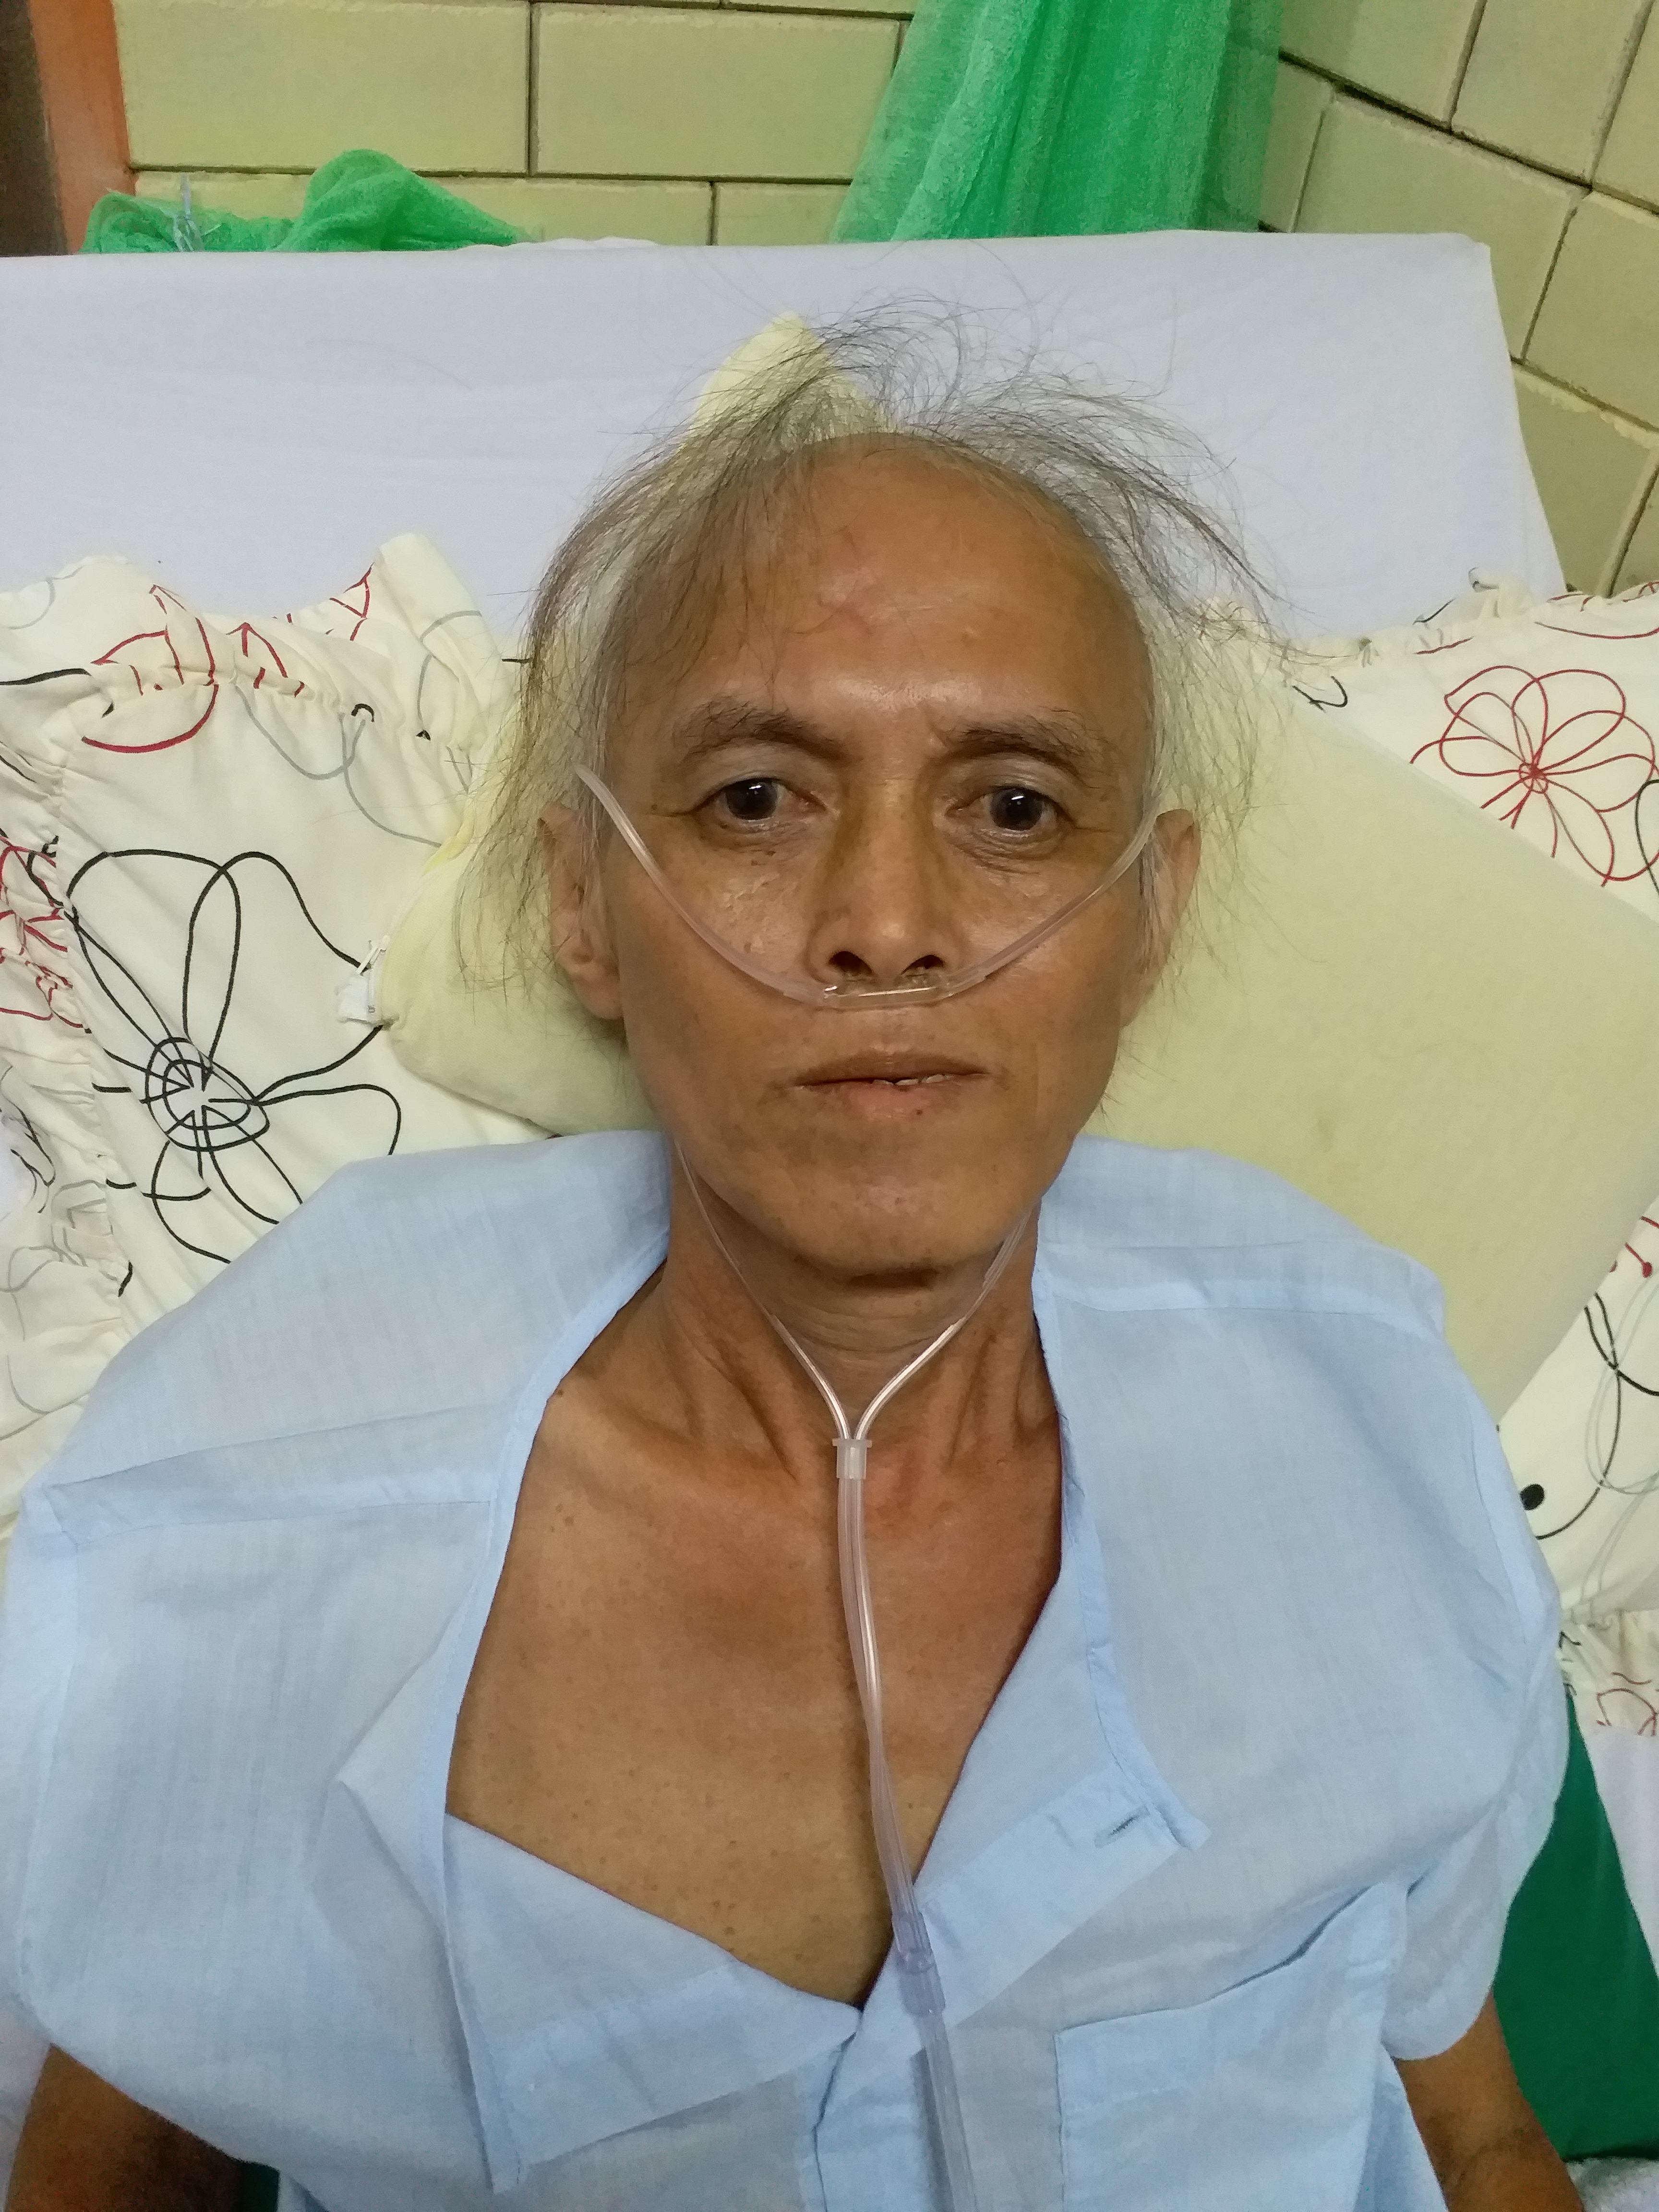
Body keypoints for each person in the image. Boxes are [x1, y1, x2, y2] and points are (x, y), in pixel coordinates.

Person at [0, 327, 1578, 2211]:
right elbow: (128, 2144)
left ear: (1149, 919)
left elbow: (1470, 2125)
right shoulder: (263, 1485)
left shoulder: (1362, 1425)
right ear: (584, 902)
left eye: (1013, 805)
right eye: (757, 797)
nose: (886, 926)